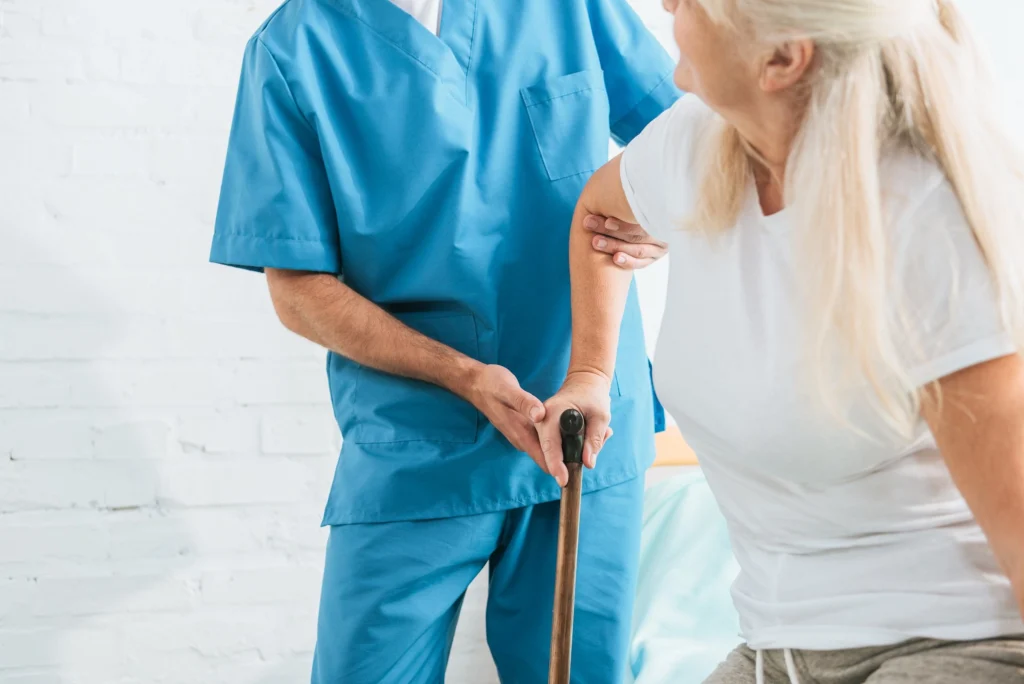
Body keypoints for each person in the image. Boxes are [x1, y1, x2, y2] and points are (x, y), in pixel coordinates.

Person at [539, 0, 1024, 682]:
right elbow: (598, 218)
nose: (669, 4)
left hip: (955, 641)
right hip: (777, 647)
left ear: (781, 59)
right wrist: (590, 373)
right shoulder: (694, 143)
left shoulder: (925, 220)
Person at [209, 0, 679, 681]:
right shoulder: (294, 49)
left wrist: (666, 213)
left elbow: (692, 139)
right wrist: (462, 375)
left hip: (582, 427)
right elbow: (297, 289)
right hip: (416, 440)